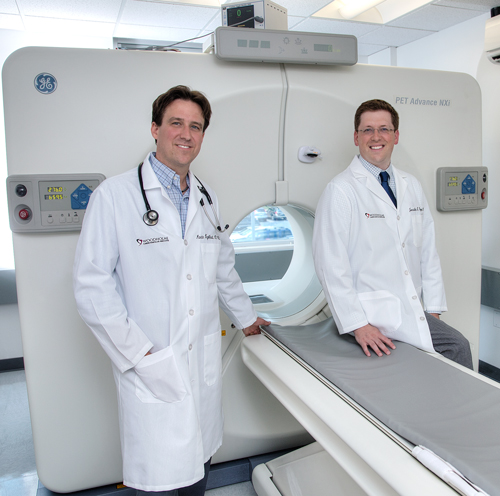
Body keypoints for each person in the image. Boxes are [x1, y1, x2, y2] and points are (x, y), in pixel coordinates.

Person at [73, 85, 269, 495]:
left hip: (200, 363)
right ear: (155, 129)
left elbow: (223, 268)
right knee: (159, 478)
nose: (186, 133)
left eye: (195, 126)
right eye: (176, 123)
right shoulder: (115, 196)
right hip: (151, 359)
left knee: (199, 469)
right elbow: (91, 286)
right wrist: (139, 354)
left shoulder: (205, 195)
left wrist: (248, 320)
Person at [312, 99, 472, 369]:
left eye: (384, 129)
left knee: (455, 347)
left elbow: (427, 250)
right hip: (369, 313)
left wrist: (432, 309)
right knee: (454, 347)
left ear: (395, 136)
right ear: (356, 137)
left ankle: (451, 408)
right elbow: (330, 263)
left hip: (411, 307)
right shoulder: (341, 190)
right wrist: (358, 324)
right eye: (367, 130)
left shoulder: (411, 184)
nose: (376, 137)